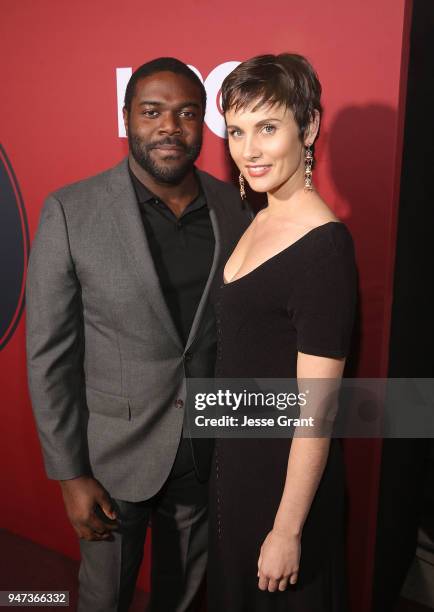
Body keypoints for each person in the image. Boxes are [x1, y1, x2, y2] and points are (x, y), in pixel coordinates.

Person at [26, 57, 251, 612]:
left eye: (187, 114)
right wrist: (70, 474)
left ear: (205, 124)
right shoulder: (71, 211)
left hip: (203, 450)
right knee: (105, 598)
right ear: (127, 118)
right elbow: (49, 355)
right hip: (112, 462)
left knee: (185, 597)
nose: (169, 127)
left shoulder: (234, 208)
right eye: (152, 112)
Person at [207, 53, 357, 611]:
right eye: (238, 131)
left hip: (283, 488)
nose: (249, 150)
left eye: (268, 128)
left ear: (309, 126)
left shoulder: (324, 248)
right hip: (239, 472)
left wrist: (288, 529)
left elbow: (316, 411)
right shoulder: (262, 215)